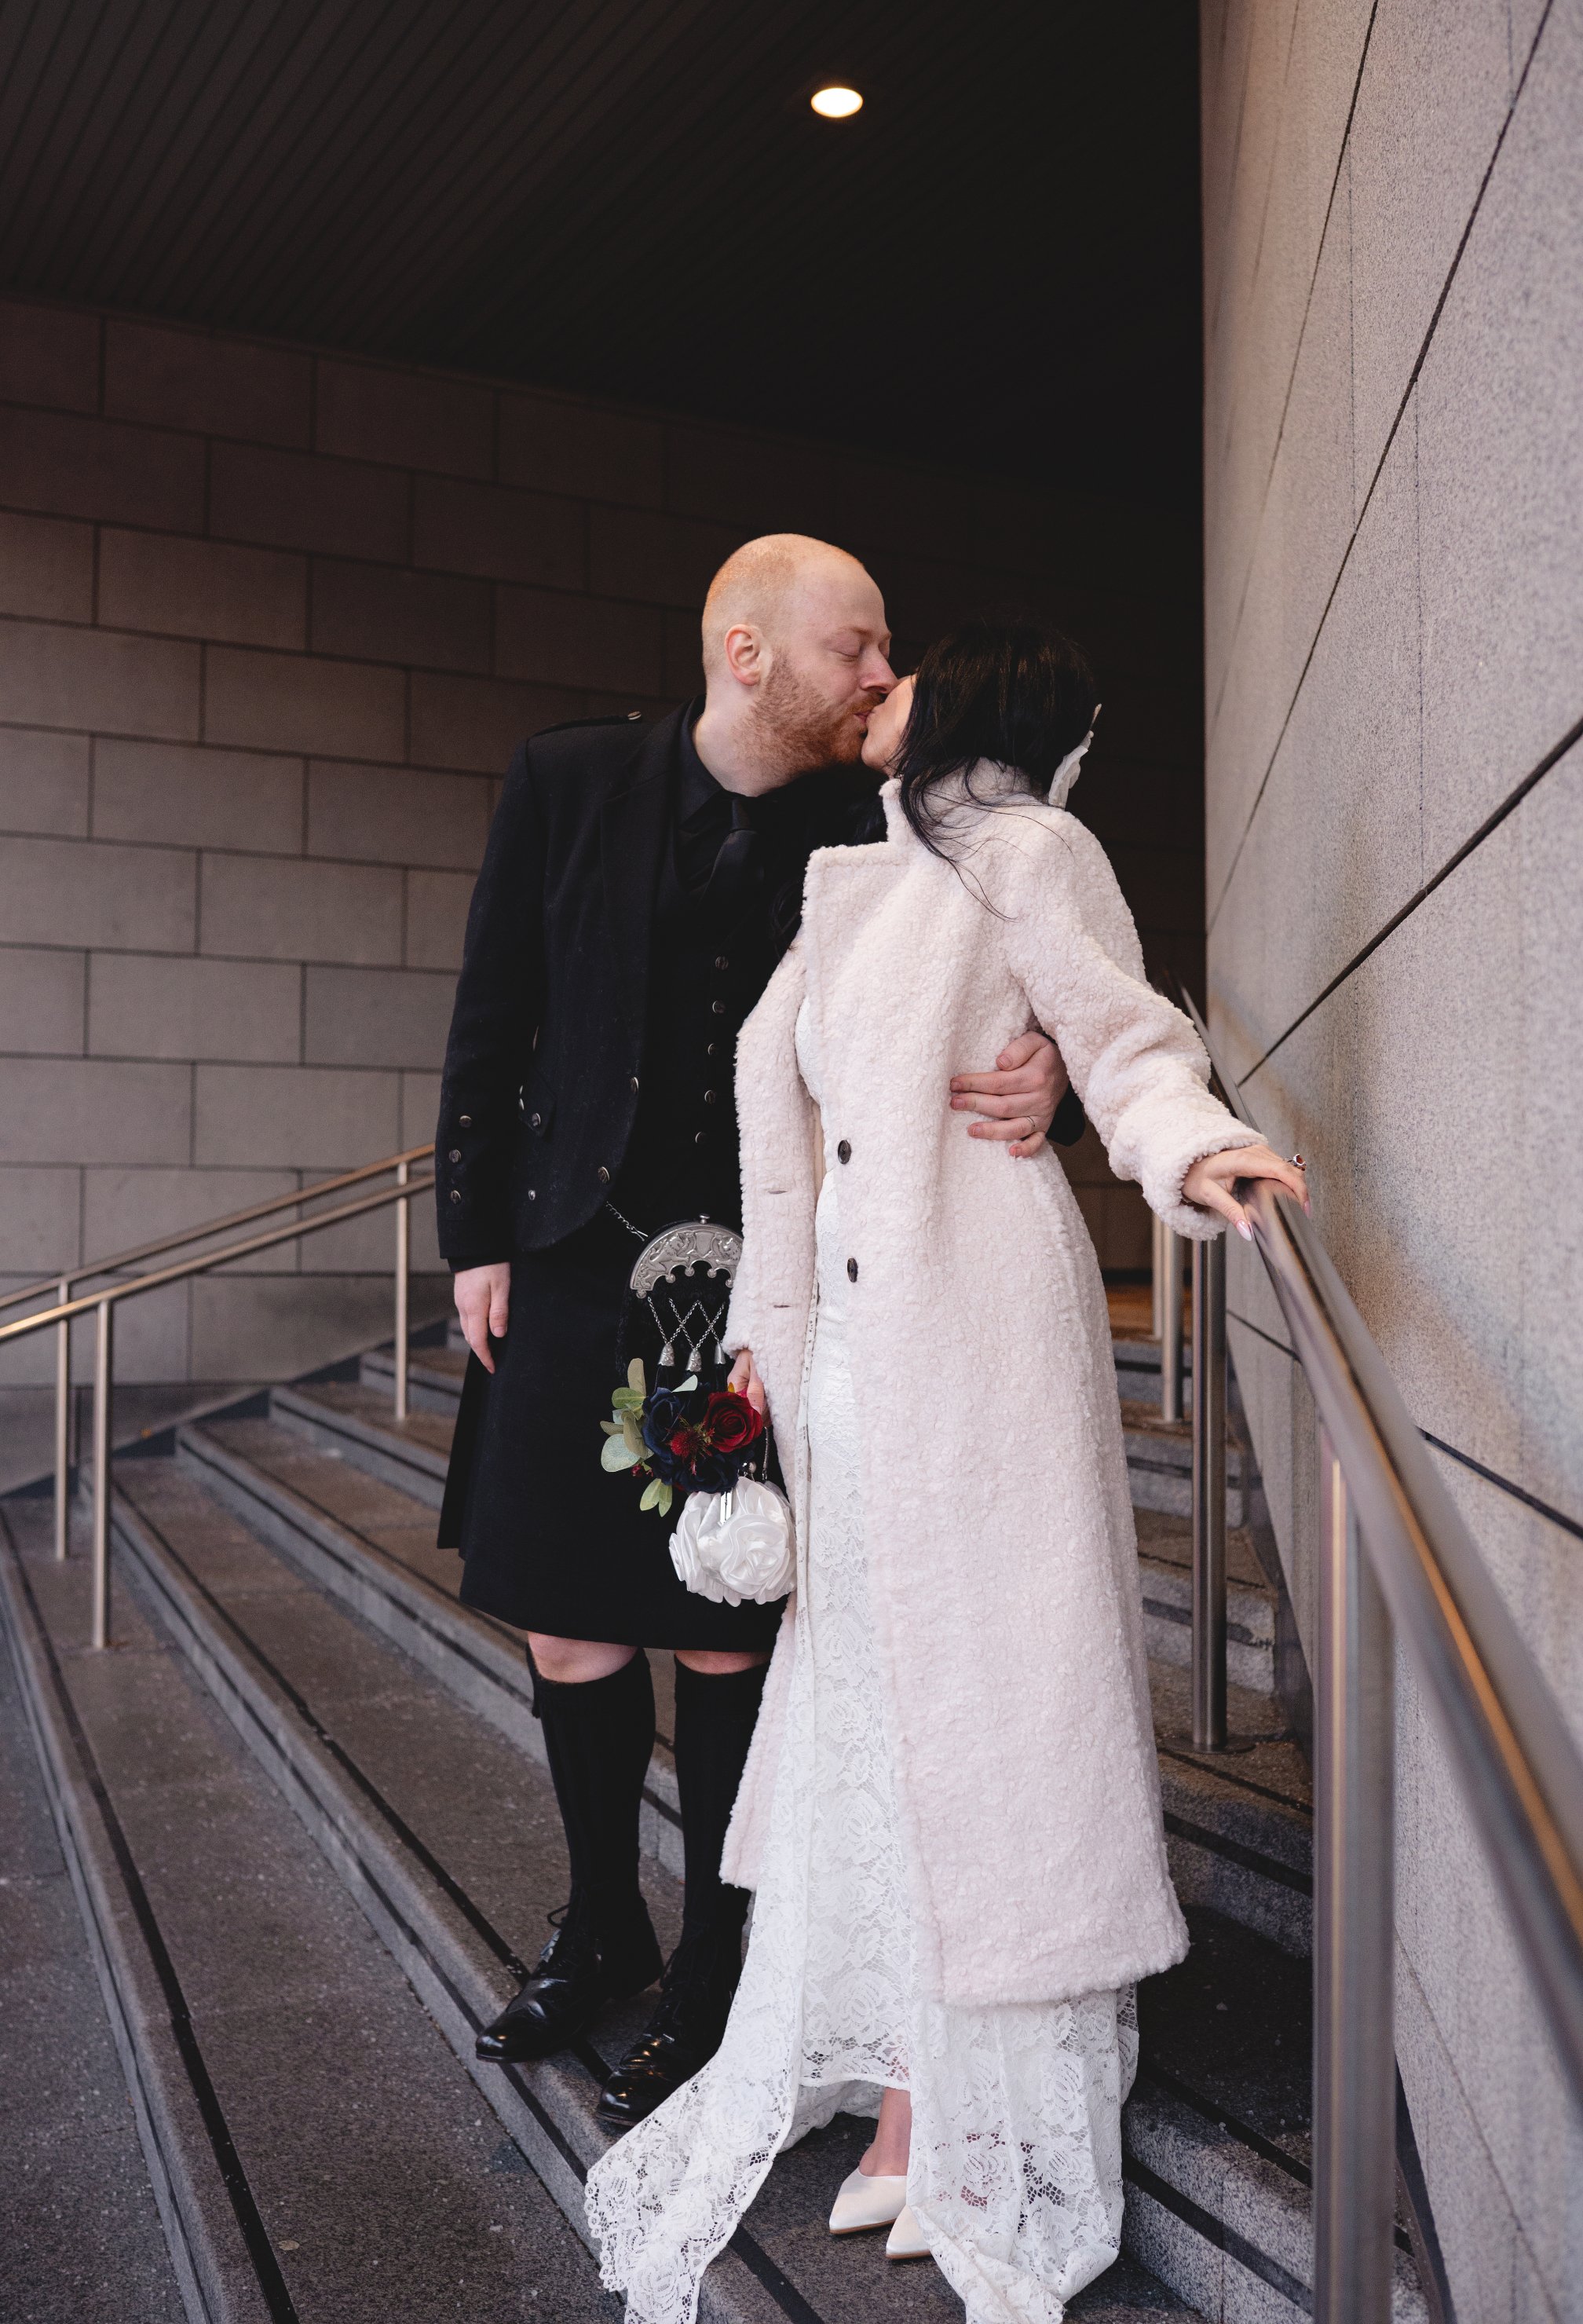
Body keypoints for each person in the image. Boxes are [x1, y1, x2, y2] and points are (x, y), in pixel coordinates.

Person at [585, 617, 1309, 2322]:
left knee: (989, 1706)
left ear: (964, 700)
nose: (876, 685)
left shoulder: (1029, 849)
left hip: (979, 1335)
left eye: (902, 669)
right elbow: (782, 1143)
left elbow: (1123, 1033)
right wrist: (756, 1367)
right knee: (885, 1724)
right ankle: (919, 2073)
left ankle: (977, 2112)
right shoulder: (861, 881)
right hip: (850, 1370)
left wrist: (1186, 1143)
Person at [433, 543, 1081, 2124]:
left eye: (885, 657)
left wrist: (1052, 1060)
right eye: (855, 648)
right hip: (572, 1258)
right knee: (566, 1628)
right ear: (747, 649)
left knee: (726, 1624)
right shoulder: (568, 779)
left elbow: (1023, 937)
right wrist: (475, 1237)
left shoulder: (879, 818)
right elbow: (492, 1006)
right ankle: (601, 1932)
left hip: (762, 1277)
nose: (879, 677)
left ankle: (722, 1963)